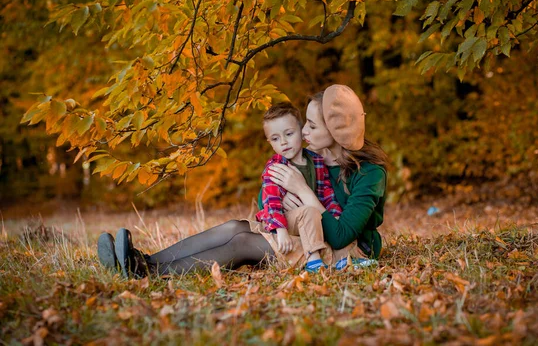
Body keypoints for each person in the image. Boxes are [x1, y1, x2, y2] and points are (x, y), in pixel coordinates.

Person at [97, 84, 387, 278]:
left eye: (311, 125)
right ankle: (144, 260)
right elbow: (267, 194)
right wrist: (283, 200)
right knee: (236, 226)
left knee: (243, 244)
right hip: (310, 233)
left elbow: (340, 235)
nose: (304, 131)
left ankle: (145, 273)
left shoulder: (370, 173)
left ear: (335, 130)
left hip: (344, 250)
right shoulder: (315, 156)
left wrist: (302, 192)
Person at [258, 101, 343, 272]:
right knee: (309, 211)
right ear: (270, 142)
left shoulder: (316, 161)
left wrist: (336, 217)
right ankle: (313, 261)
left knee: (315, 213)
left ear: (301, 131)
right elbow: (271, 199)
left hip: (310, 221)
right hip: (286, 220)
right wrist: (280, 229)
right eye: (275, 138)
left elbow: (326, 194)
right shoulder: (276, 166)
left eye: (289, 134)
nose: (283, 142)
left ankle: (343, 258)